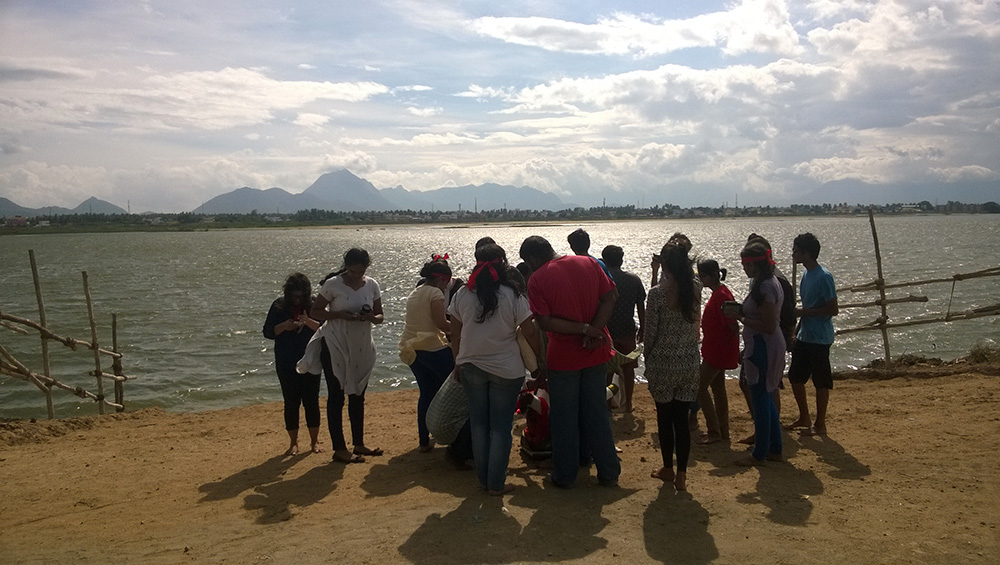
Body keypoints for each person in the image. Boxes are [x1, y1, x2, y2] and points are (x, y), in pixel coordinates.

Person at [519, 235, 620, 489]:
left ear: (532, 259)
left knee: (564, 418)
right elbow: (611, 297)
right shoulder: (588, 263)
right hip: (596, 351)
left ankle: (565, 474)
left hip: (563, 356)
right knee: (596, 411)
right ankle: (608, 471)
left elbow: (544, 322)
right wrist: (594, 330)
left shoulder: (537, 279)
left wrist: (584, 329)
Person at [449, 243, 543, 495]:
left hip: (470, 366)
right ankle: (496, 483)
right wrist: (539, 360)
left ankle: (483, 480)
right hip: (506, 369)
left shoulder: (462, 294)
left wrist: (457, 361)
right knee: (500, 428)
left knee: (479, 424)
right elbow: (530, 331)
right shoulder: (513, 294)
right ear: (503, 263)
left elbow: (454, 333)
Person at [298, 248, 385, 464]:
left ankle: (358, 443)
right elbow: (315, 312)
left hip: (361, 345)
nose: (357, 276)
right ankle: (339, 448)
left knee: (358, 394)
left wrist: (370, 317)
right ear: (346, 267)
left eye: (361, 272)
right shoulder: (333, 284)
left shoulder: (372, 284)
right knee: (337, 395)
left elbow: (380, 316)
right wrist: (339, 315)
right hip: (335, 342)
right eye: (353, 272)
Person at [644, 243, 701, 491]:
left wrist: (647, 358)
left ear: (665, 265)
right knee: (682, 419)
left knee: (664, 419)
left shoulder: (657, 294)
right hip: (689, 361)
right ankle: (682, 474)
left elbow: (650, 334)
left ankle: (668, 467)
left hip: (663, 363)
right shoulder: (696, 288)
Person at [727, 243, 785, 466]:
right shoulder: (768, 283)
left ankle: (760, 452)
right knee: (766, 396)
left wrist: (742, 318)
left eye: (745, 265)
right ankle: (774, 446)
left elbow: (768, 325)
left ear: (754, 265)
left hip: (764, 345)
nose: (743, 269)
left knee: (760, 398)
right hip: (765, 343)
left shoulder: (765, 288)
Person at [262, 273, 323, 456]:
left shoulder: (313, 305)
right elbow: (267, 332)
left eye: (301, 296)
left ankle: (314, 442)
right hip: (286, 360)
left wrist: (307, 321)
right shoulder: (279, 306)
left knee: (311, 401)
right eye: (294, 296)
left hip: (310, 360)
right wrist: (284, 326)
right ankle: (293, 443)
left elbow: (325, 328)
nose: (297, 300)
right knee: (291, 402)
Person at [785, 232, 839, 436]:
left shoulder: (824, 277)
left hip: (820, 338)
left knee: (821, 381)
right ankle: (804, 416)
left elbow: (833, 309)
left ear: (807, 253)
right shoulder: (806, 275)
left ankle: (820, 423)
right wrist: (797, 331)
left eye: (797, 251)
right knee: (796, 377)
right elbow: (806, 307)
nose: (793, 254)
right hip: (805, 335)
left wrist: (803, 313)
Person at [399, 259, 455, 453]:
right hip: (432, 347)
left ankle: (424, 440)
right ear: (440, 279)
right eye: (447, 281)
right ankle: (453, 437)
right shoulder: (435, 293)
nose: (447, 286)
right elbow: (441, 323)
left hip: (413, 349)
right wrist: (460, 328)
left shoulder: (416, 291)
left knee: (426, 393)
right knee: (454, 390)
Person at [695, 260, 740, 445]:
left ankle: (714, 430)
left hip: (717, 351)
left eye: (702, 276)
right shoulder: (720, 293)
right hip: (715, 349)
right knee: (718, 389)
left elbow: (732, 325)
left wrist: (727, 346)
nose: (701, 279)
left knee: (699, 387)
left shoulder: (721, 295)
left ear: (710, 276)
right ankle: (723, 431)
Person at [601, 245, 646, 412]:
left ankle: (606, 405)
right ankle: (628, 404)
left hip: (607, 331)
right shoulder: (634, 280)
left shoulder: (603, 279)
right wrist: (643, 327)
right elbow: (640, 305)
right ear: (621, 259)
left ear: (604, 260)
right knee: (628, 369)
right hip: (628, 329)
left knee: (606, 371)